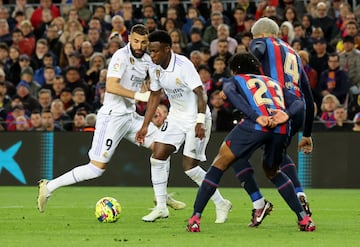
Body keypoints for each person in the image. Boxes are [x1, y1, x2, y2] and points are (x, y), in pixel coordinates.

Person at [37, 24, 184, 213]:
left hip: (130, 116)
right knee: (96, 169)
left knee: (162, 146)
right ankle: (48, 187)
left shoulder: (148, 59)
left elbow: (155, 82)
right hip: (112, 117)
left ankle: (161, 198)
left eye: (143, 42)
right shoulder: (120, 57)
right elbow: (112, 86)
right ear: (130, 39)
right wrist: (139, 96)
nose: (139, 46)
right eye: (136, 41)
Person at [187, 52, 316, 233]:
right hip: (281, 128)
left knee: (220, 162)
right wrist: (286, 114)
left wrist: (256, 116)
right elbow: (299, 102)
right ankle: (304, 220)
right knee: (273, 171)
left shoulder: (234, 80)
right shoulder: (274, 82)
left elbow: (232, 94)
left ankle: (195, 218)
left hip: (255, 124)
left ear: (234, 70)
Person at [135, 30, 232, 223]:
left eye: (155, 51)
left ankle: (221, 203)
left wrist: (200, 121)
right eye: (149, 51)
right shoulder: (154, 68)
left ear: (167, 49)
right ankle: (161, 207)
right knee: (158, 156)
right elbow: (155, 95)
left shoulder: (183, 65)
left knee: (190, 168)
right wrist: (145, 125)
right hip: (176, 117)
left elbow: (200, 93)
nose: (151, 55)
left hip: (196, 117)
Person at [250, 17, 315, 217]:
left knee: (252, 157)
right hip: (298, 110)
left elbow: (257, 51)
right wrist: (307, 133)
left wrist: (246, 72)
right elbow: (309, 97)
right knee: (279, 152)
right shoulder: (294, 54)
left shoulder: (261, 42)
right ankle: (299, 193)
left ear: (259, 34)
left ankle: (259, 202)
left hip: (275, 108)